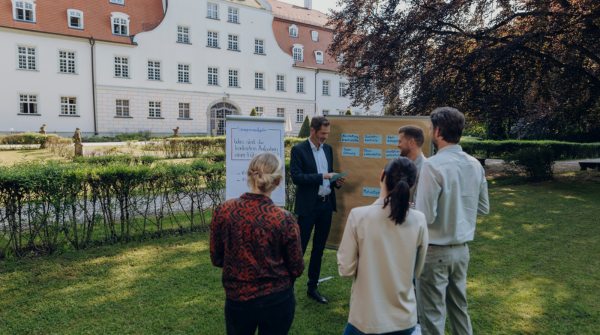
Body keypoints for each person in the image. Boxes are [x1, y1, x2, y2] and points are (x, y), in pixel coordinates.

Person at [210, 152, 305, 335]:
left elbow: (216, 258)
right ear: (278, 182)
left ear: (249, 175)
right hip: (276, 299)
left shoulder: (223, 211)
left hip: (237, 298)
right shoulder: (284, 219)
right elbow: (297, 268)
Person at [415, 107, 490, 335]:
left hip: (435, 251)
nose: (429, 132)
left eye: (429, 128)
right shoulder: (475, 164)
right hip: (461, 250)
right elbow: (483, 208)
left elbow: (425, 216)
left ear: (438, 131)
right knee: (459, 308)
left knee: (431, 314)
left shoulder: (432, 165)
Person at [337, 157, 429, 335]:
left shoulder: (359, 216)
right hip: (405, 318)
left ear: (382, 176)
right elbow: (417, 271)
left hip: (366, 318)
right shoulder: (419, 220)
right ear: (411, 185)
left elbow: (345, 270)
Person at [290, 116, 346, 304]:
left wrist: (335, 180)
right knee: (300, 248)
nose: (325, 137)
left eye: (327, 134)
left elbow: (327, 176)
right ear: (312, 130)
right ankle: (286, 289)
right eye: (323, 133)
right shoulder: (298, 149)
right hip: (308, 207)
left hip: (326, 205)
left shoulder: (328, 149)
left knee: (319, 249)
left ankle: (312, 288)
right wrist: (323, 176)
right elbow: (297, 177)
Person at [398, 125, 427, 205]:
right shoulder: (402, 165)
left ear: (411, 142)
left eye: (400, 141)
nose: (398, 145)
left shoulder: (425, 168)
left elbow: (418, 205)